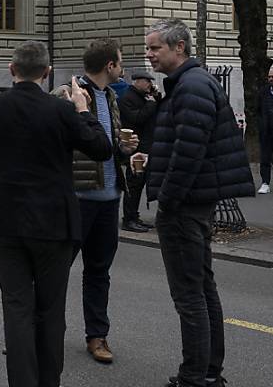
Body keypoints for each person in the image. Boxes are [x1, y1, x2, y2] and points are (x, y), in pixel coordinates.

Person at [0, 41, 112, 387]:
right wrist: (83, 109)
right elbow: (102, 148)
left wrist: (2, 170)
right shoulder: (60, 111)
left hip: (7, 220)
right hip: (54, 222)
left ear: (12, 70)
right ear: (46, 73)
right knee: (50, 310)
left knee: (16, 308)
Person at [144, 19, 254, 387]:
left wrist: (169, 202)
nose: (149, 54)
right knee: (202, 289)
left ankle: (195, 378)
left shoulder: (190, 87)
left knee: (190, 296)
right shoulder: (191, 84)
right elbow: (185, 146)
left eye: (155, 47)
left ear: (179, 48)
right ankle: (208, 373)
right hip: (195, 202)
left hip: (185, 206)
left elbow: (188, 154)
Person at [53, 38, 138, 365]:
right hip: (77, 199)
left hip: (109, 199)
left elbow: (103, 145)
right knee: (56, 271)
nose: (124, 67)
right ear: (110, 66)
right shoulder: (68, 94)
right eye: (121, 61)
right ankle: (37, 330)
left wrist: (125, 149)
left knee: (99, 271)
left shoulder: (111, 96)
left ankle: (97, 336)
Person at [118, 70, 162, 231]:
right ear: (137, 81)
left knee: (141, 182)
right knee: (134, 183)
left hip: (146, 147)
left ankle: (134, 216)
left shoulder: (145, 96)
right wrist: (151, 103)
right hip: (135, 149)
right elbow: (137, 118)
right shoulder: (127, 98)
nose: (150, 84)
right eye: (147, 81)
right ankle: (128, 219)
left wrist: (156, 98)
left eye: (150, 81)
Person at [257, 66, 273, 194]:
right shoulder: (263, 92)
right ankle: (265, 182)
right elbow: (258, 109)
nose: (270, 79)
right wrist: (261, 124)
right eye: (269, 77)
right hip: (267, 130)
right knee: (265, 157)